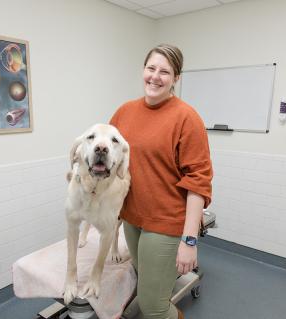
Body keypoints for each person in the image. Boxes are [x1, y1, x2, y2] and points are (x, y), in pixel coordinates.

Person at [109, 44, 213, 319]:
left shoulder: (186, 118)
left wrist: (189, 241)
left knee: (154, 306)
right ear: (143, 70)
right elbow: (112, 161)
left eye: (164, 72)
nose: (155, 77)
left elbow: (198, 182)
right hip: (133, 218)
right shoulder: (124, 112)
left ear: (176, 78)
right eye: (151, 68)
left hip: (166, 222)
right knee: (146, 282)